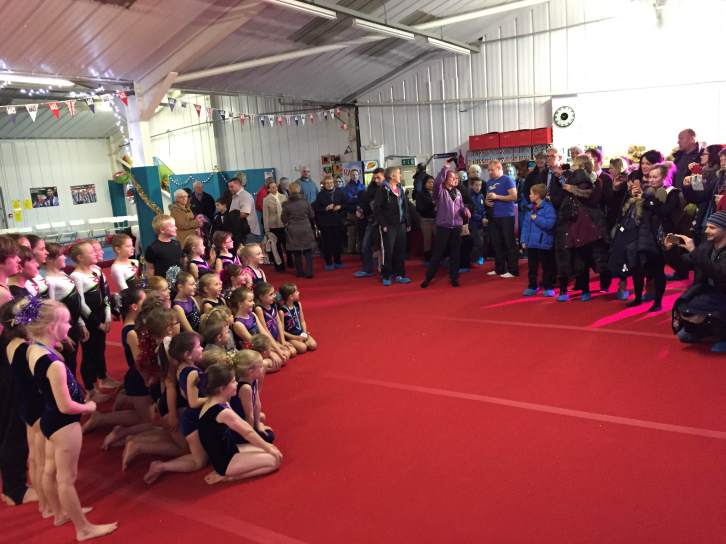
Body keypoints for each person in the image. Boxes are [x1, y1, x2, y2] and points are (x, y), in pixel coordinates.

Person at [26, 299, 118, 540]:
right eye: (66, 322)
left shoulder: (34, 349)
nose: (70, 327)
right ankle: (83, 528)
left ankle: (58, 513)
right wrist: (89, 406)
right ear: (51, 327)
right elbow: (65, 405)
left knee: (51, 470)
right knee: (67, 479)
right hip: (63, 424)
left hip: (49, 417)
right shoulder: (53, 364)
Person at [196, 362, 282, 485]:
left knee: (272, 449)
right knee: (274, 461)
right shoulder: (222, 412)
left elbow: (245, 427)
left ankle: (230, 472)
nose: (237, 384)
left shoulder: (218, 401)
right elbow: (247, 432)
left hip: (231, 449)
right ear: (222, 389)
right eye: (233, 382)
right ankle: (228, 477)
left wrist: (267, 446)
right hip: (225, 462)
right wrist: (267, 447)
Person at [668, 211, 726, 352]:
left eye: (712, 228)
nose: (706, 231)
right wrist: (671, 251)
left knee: (703, 307)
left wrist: (694, 251)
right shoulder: (706, 246)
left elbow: (720, 274)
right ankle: (704, 330)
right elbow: (682, 266)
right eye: (707, 227)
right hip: (707, 291)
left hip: (723, 293)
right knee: (685, 307)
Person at [421, 161, 470, 288]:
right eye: (452, 177)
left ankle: (454, 277)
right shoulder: (439, 191)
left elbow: (460, 206)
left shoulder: (458, 192)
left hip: (457, 226)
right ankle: (428, 277)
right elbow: (437, 182)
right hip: (443, 226)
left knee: (455, 253)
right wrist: (445, 168)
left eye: (456, 178)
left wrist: (465, 210)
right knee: (438, 253)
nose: (455, 180)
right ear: (446, 179)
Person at [45, 243, 87, 376]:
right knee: (67, 361)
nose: (65, 257)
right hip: (63, 328)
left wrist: (81, 323)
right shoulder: (49, 280)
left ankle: (73, 385)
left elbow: (77, 301)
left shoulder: (63, 274)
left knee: (73, 359)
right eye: (61, 255)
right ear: (49, 259)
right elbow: (51, 310)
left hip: (73, 323)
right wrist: (62, 336)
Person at [373, 166, 414, 286]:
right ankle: (386, 275)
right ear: (392, 176)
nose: (400, 175)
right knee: (388, 251)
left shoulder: (400, 188)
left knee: (400, 250)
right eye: (398, 173)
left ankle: (400, 274)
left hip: (401, 224)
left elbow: (405, 207)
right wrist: (383, 224)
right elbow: (377, 209)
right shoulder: (383, 189)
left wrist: (407, 222)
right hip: (389, 226)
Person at [229, 350, 274, 444]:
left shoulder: (254, 381)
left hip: (247, 419)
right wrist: (252, 436)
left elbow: (257, 404)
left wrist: (258, 426)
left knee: (262, 420)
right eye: (260, 367)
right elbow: (248, 415)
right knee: (269, 436)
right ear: (251, 371)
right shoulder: (245, 388)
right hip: (240, 425)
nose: (263, 368)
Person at [521, 184, 557, 296]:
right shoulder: (529, 208)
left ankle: (548, 287)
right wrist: (523, 240)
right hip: (531, 244)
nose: (529, 195)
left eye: (531, 193)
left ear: (537, 195)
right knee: (532, 267)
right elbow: (525, 226)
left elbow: (550, 224)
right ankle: (532, 286)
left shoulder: (549, 208)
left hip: (544, 243)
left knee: (547, 267)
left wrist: (537, 218)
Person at [485, 160, 519, 278]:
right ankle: (499, 269)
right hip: (493, 216)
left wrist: (497, 197)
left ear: (499, 168)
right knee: (496, 243)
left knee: (509, 243)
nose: (490, 172)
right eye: (489, 170)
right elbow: (489, 197)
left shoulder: (507, 180)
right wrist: (486, 201)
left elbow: (514, 196)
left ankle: (513, 270)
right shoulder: (489, 182)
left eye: (492, 170)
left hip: (506, 215)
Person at [353, 168, 384, 278]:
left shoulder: (389, 189)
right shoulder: (370, 190)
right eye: (374, 178)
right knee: (365, 245)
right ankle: (368, 269)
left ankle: (387, 271)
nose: (376, 180)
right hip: (372, 221)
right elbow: (364, 204)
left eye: (378, 178)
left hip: (386, 222)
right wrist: (360, 210)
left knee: (384, 248)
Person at [281, 181, 316, 279]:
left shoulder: (286, 204)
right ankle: (309, 272)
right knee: (308, 251)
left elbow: (283, 218)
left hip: (293, 229)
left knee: (296, 252)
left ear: (289, 191)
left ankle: (300, 272)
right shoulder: (305, 202)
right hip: (305, 228)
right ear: (299, 190)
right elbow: (312, 215)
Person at [313, 175, 346, 271]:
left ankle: (338, 261)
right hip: (325, 223)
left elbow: (346, 204)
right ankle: (329, 262)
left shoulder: (340, 192)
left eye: (331, 182)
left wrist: (340, 206)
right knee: (327, 244)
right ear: (324, 184)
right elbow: (316, 208)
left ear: (334, 183)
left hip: (338, 222)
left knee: (338, 243)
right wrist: (325, 208)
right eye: (327, 183)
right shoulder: (320, 195)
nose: (329, 184)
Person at [278, 283, 317, 354]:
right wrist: (295, 338)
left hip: (300, 333)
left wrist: (304, 333)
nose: (299, 292)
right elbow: (282, 331)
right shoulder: (282, 311)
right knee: (303, 348)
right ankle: (290, 342)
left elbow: (302, 321)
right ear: (291, 297)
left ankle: (300, 340)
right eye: (296, 291)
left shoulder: (298, 304)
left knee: (313, 345)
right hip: (290, 336)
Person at [144, 215, 183, 280]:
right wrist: (152, 283)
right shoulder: (153, 248)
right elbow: (150, 269)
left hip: (179, 281)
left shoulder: (177, 244)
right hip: (162, 283)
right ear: (162, 230)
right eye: (172, 226)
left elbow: (181, 262)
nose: (176, 228)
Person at [262, 179, 288, 273]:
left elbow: (287, 211)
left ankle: (290, 263)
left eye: (275, 186)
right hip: (273, 226)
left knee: (287, 245)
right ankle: (280, 266)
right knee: (276, 247)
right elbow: (265, 215)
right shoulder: (266, 200)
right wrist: (266, 229)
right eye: (272, 187)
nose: (275, 188)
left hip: (284, 225)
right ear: (268, 189)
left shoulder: (283, 197)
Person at [228, 176, 261, 243]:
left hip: (249, 233)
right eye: (229, 187)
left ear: (238, 184)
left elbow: (244, 213)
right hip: (242, 232)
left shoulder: (245, 196)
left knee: (250, 250)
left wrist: (228, 218)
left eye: (231, 186)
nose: (230, 189)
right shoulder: (236, 196)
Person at [342, 169, 365, 254]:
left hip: (361, 212)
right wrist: (358, 197)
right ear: (350, 176)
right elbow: (348, 199)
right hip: (351, 212)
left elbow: (364, 198)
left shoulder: (362, 186)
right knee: (351, 233)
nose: (355, 176)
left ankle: (359, 250)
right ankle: (350, 251)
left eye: (356, 174)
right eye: (353, 175)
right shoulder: (347, 187)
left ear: (358, 175)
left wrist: (355, 196)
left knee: (360, 232)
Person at [415, 175, 436, 264]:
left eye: (432, 182)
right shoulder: (420, 194)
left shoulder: (436, 193)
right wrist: (431, 204)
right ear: (424, 184)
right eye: (429, 182)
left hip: (437, 219)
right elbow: (419, 208)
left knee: (439, 238)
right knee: (427, 240)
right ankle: (428, 259)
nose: (431, 184)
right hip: (425, 219)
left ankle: (438, 257)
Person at [469, 177, 487, 266]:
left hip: (481, 223)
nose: (478, 187)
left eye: (480, 185)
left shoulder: (481, 196)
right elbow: (471, 212)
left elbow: (483, 209)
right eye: (476, 185)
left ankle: (479, 258)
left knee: (482, 241)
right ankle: (472, 260)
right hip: (473, 223)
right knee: (478, 242)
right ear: (471, 185)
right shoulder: (469, 197)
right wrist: (481, 218)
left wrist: (484, 217)